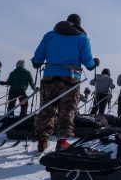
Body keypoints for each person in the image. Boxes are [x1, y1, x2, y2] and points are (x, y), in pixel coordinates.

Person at [31, 14, 98, 152]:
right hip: (70, 78)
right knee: (67, 110)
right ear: (78, 24)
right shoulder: (82, 38)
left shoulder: (50, 35)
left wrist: (37, 62)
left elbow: (37, 59)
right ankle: (62, 142)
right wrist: (94, 63)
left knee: (47, 108)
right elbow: (88, 62)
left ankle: (43, 140)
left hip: (49, 76)